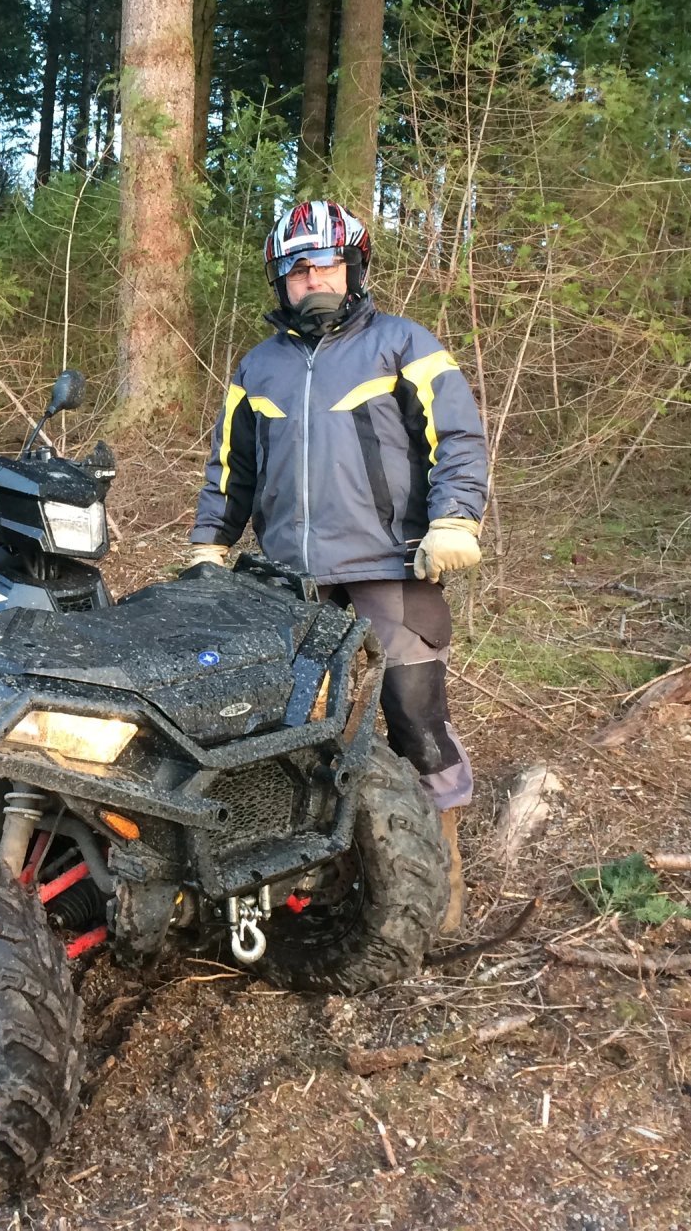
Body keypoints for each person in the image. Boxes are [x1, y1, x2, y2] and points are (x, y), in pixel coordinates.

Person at [188, 199, 490, 933]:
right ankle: (320, 861)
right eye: (296, 271)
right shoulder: (258, 367)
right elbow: (233, 468)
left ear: (352, 267)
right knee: (297, 724)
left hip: (393, 563)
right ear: (280, 283)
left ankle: (441, 859)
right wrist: (209, 543)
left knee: (414, 716)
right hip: (292, 576)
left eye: (323, 264)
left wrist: (455, 517)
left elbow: (457, 434)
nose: (310, 280)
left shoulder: (403, 345)